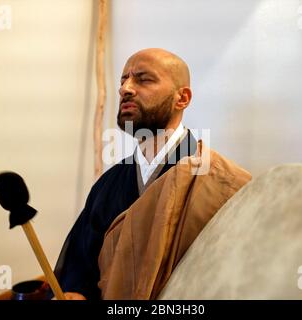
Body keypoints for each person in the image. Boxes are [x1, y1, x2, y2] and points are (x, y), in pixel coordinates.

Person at [54, 48, 198, 300]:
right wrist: (76, 292)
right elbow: (81, 260)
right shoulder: (109, 183)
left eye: (143, 79)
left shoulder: (213, 179)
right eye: (123, 80)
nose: (125, 89)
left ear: (182, 98)